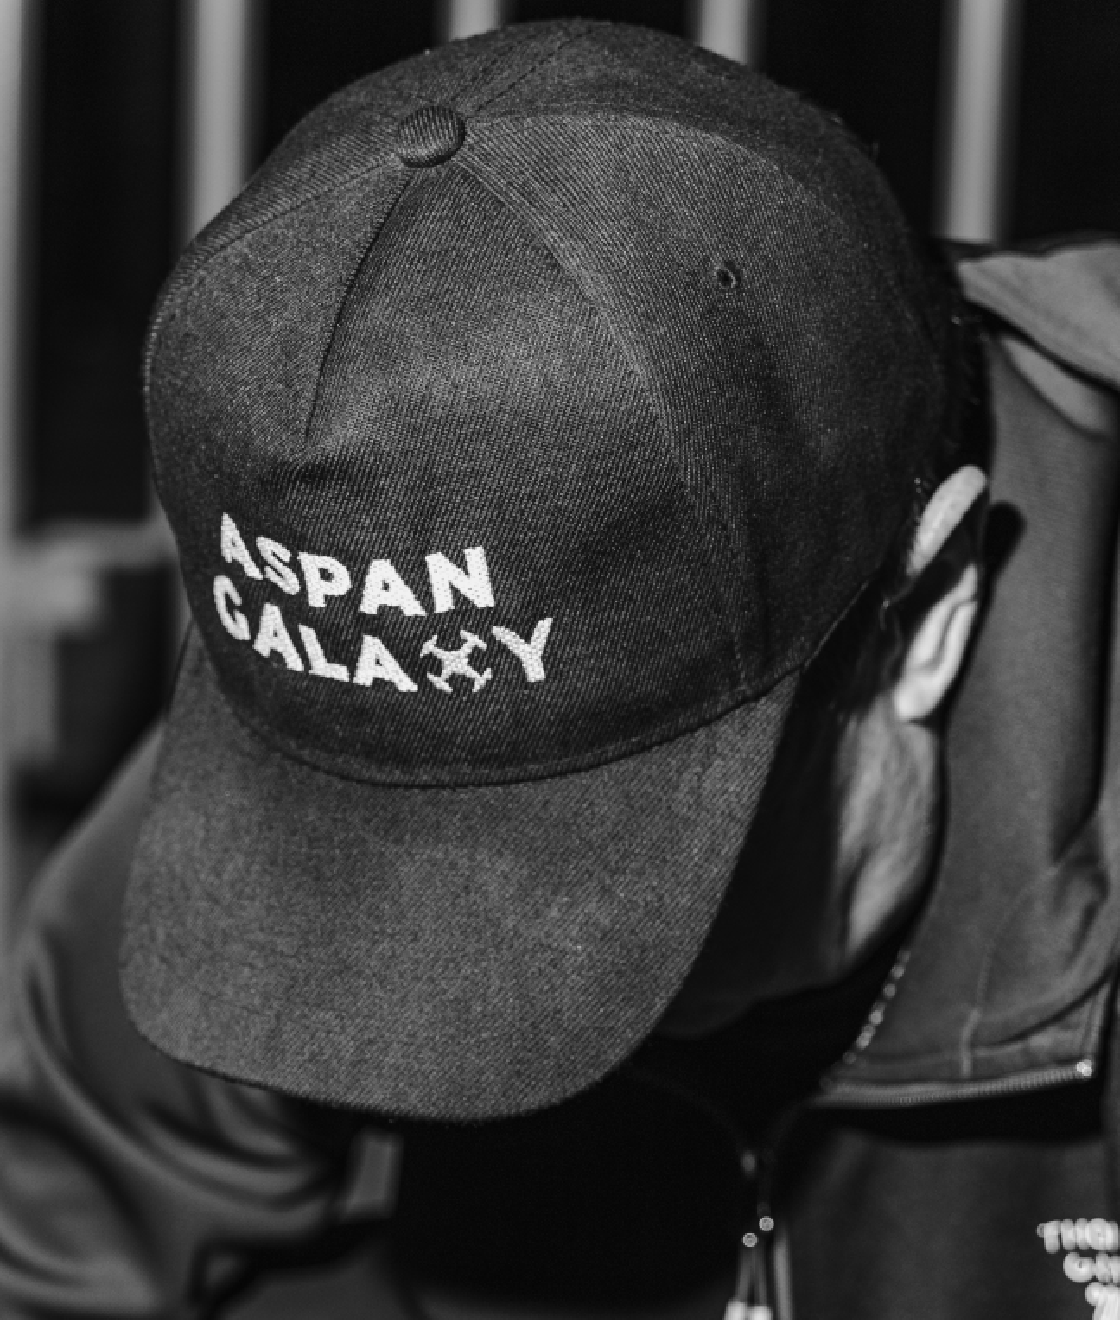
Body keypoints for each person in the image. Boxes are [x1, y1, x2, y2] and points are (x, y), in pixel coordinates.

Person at [2, 18, 1119, 1320]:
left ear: (927, 615)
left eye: (605, 852)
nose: (479, 963)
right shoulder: (349, 712)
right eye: (377, 860)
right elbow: (53, 1253)